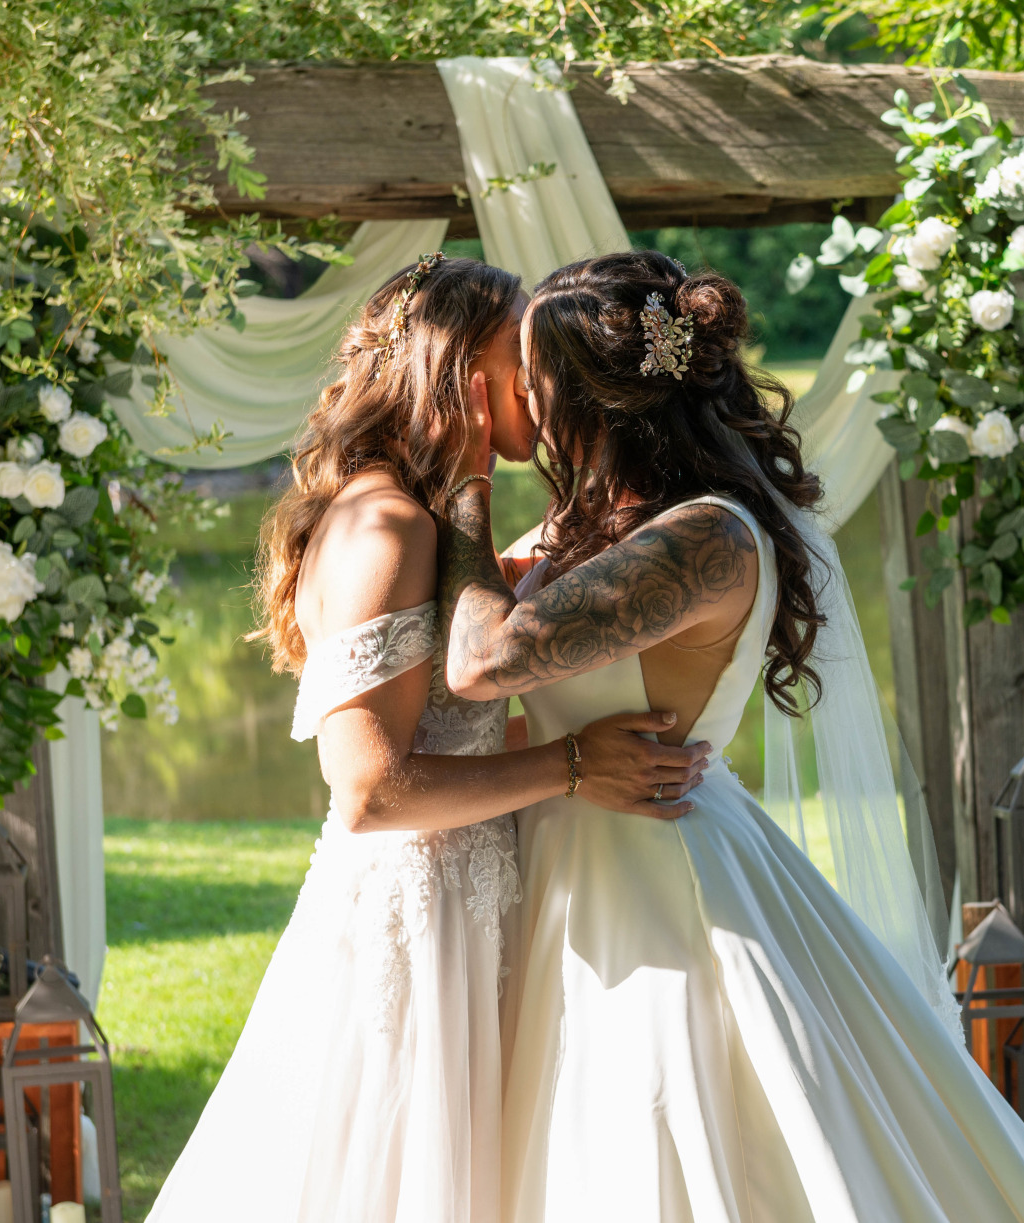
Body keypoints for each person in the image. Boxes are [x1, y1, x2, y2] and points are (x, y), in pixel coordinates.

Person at [437, 250, 1024, 1222]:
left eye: (533, 375)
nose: (521, 400)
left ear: (591, 395)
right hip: (561, 866)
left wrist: (465, 477)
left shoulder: (706, 538)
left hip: (660, 878)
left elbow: (483, 658)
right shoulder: (576, 531)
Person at [146, 254, 710, 1223]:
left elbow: (462, 709)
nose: (539, 382)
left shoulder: (420, 517)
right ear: (457, 373)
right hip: (420, 922)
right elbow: (369, 790)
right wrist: (573, 764)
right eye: (518, 360)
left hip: (471, 901)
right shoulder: (388, 526)